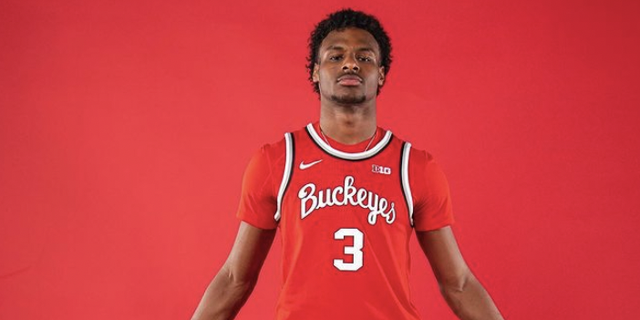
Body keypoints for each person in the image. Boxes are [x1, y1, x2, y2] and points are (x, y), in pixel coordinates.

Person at [191, 8, 504, 320]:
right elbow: (235, 280)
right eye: (335, 56)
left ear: (380, 73)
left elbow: (459, 284)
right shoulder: (278, 160)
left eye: (364, 57)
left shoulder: (415, 167)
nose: (350, 63)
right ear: (315, 71)